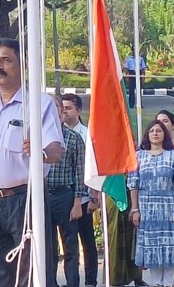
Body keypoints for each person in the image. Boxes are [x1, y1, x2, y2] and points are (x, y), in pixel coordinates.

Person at [0, 38, 64, 287]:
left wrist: (40, 151)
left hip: (24, 199)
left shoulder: (38, 103)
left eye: (6, 60)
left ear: (22, 65)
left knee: (31, 269)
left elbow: (56, 150)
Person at [126, 120, 174, 287]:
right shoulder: (139, 156)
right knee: (152, 252)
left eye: (159, 130)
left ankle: (168, 283)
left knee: (170, 251)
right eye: (151, 130)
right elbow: (133, 184)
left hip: (169, 209)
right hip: (146, 210)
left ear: (164, 134)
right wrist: (135, 209)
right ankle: (157, 284)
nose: (155, 133)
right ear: (147, 134)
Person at [61, 93, 101, 287]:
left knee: (87, 241)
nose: (64, 112)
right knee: (68, 244)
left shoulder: (87, 134)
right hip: (63, 197)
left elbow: (95, 166)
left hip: (85, 197)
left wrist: (94, 195)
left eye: (68, 108)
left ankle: (91, 281)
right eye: (62, 108)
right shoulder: (56, 134)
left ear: (78, 110)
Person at [48, 94, 86, 287]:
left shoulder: (74, 138)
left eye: (57, 107)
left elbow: (80, 172)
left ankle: (72, 283)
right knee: (48, 248)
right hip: (43, 197)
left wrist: (78, 202)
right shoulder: (37, 137)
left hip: (65, 196)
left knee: (70, 247)